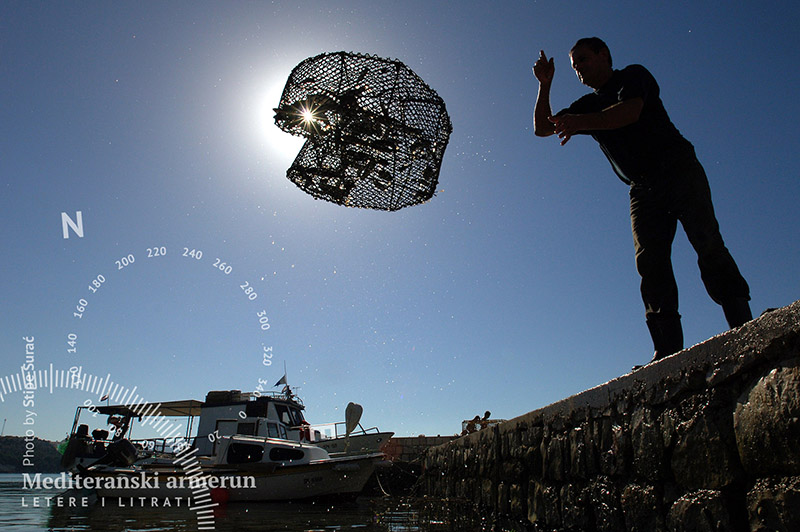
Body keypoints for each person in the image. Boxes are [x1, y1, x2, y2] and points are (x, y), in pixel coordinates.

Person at [532, 37, 752, 365]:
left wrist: (580, 122)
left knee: (707, 243)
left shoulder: (633, 76)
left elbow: (629, 112)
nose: (579, 69)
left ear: (604, 55)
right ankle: (667, 351)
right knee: (650, 263)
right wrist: (545, 86)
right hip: (642, 189)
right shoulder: (585, 105)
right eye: (574, 66)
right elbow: (542, 129)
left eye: (584, 61)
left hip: (677, 169)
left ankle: (743, 324)